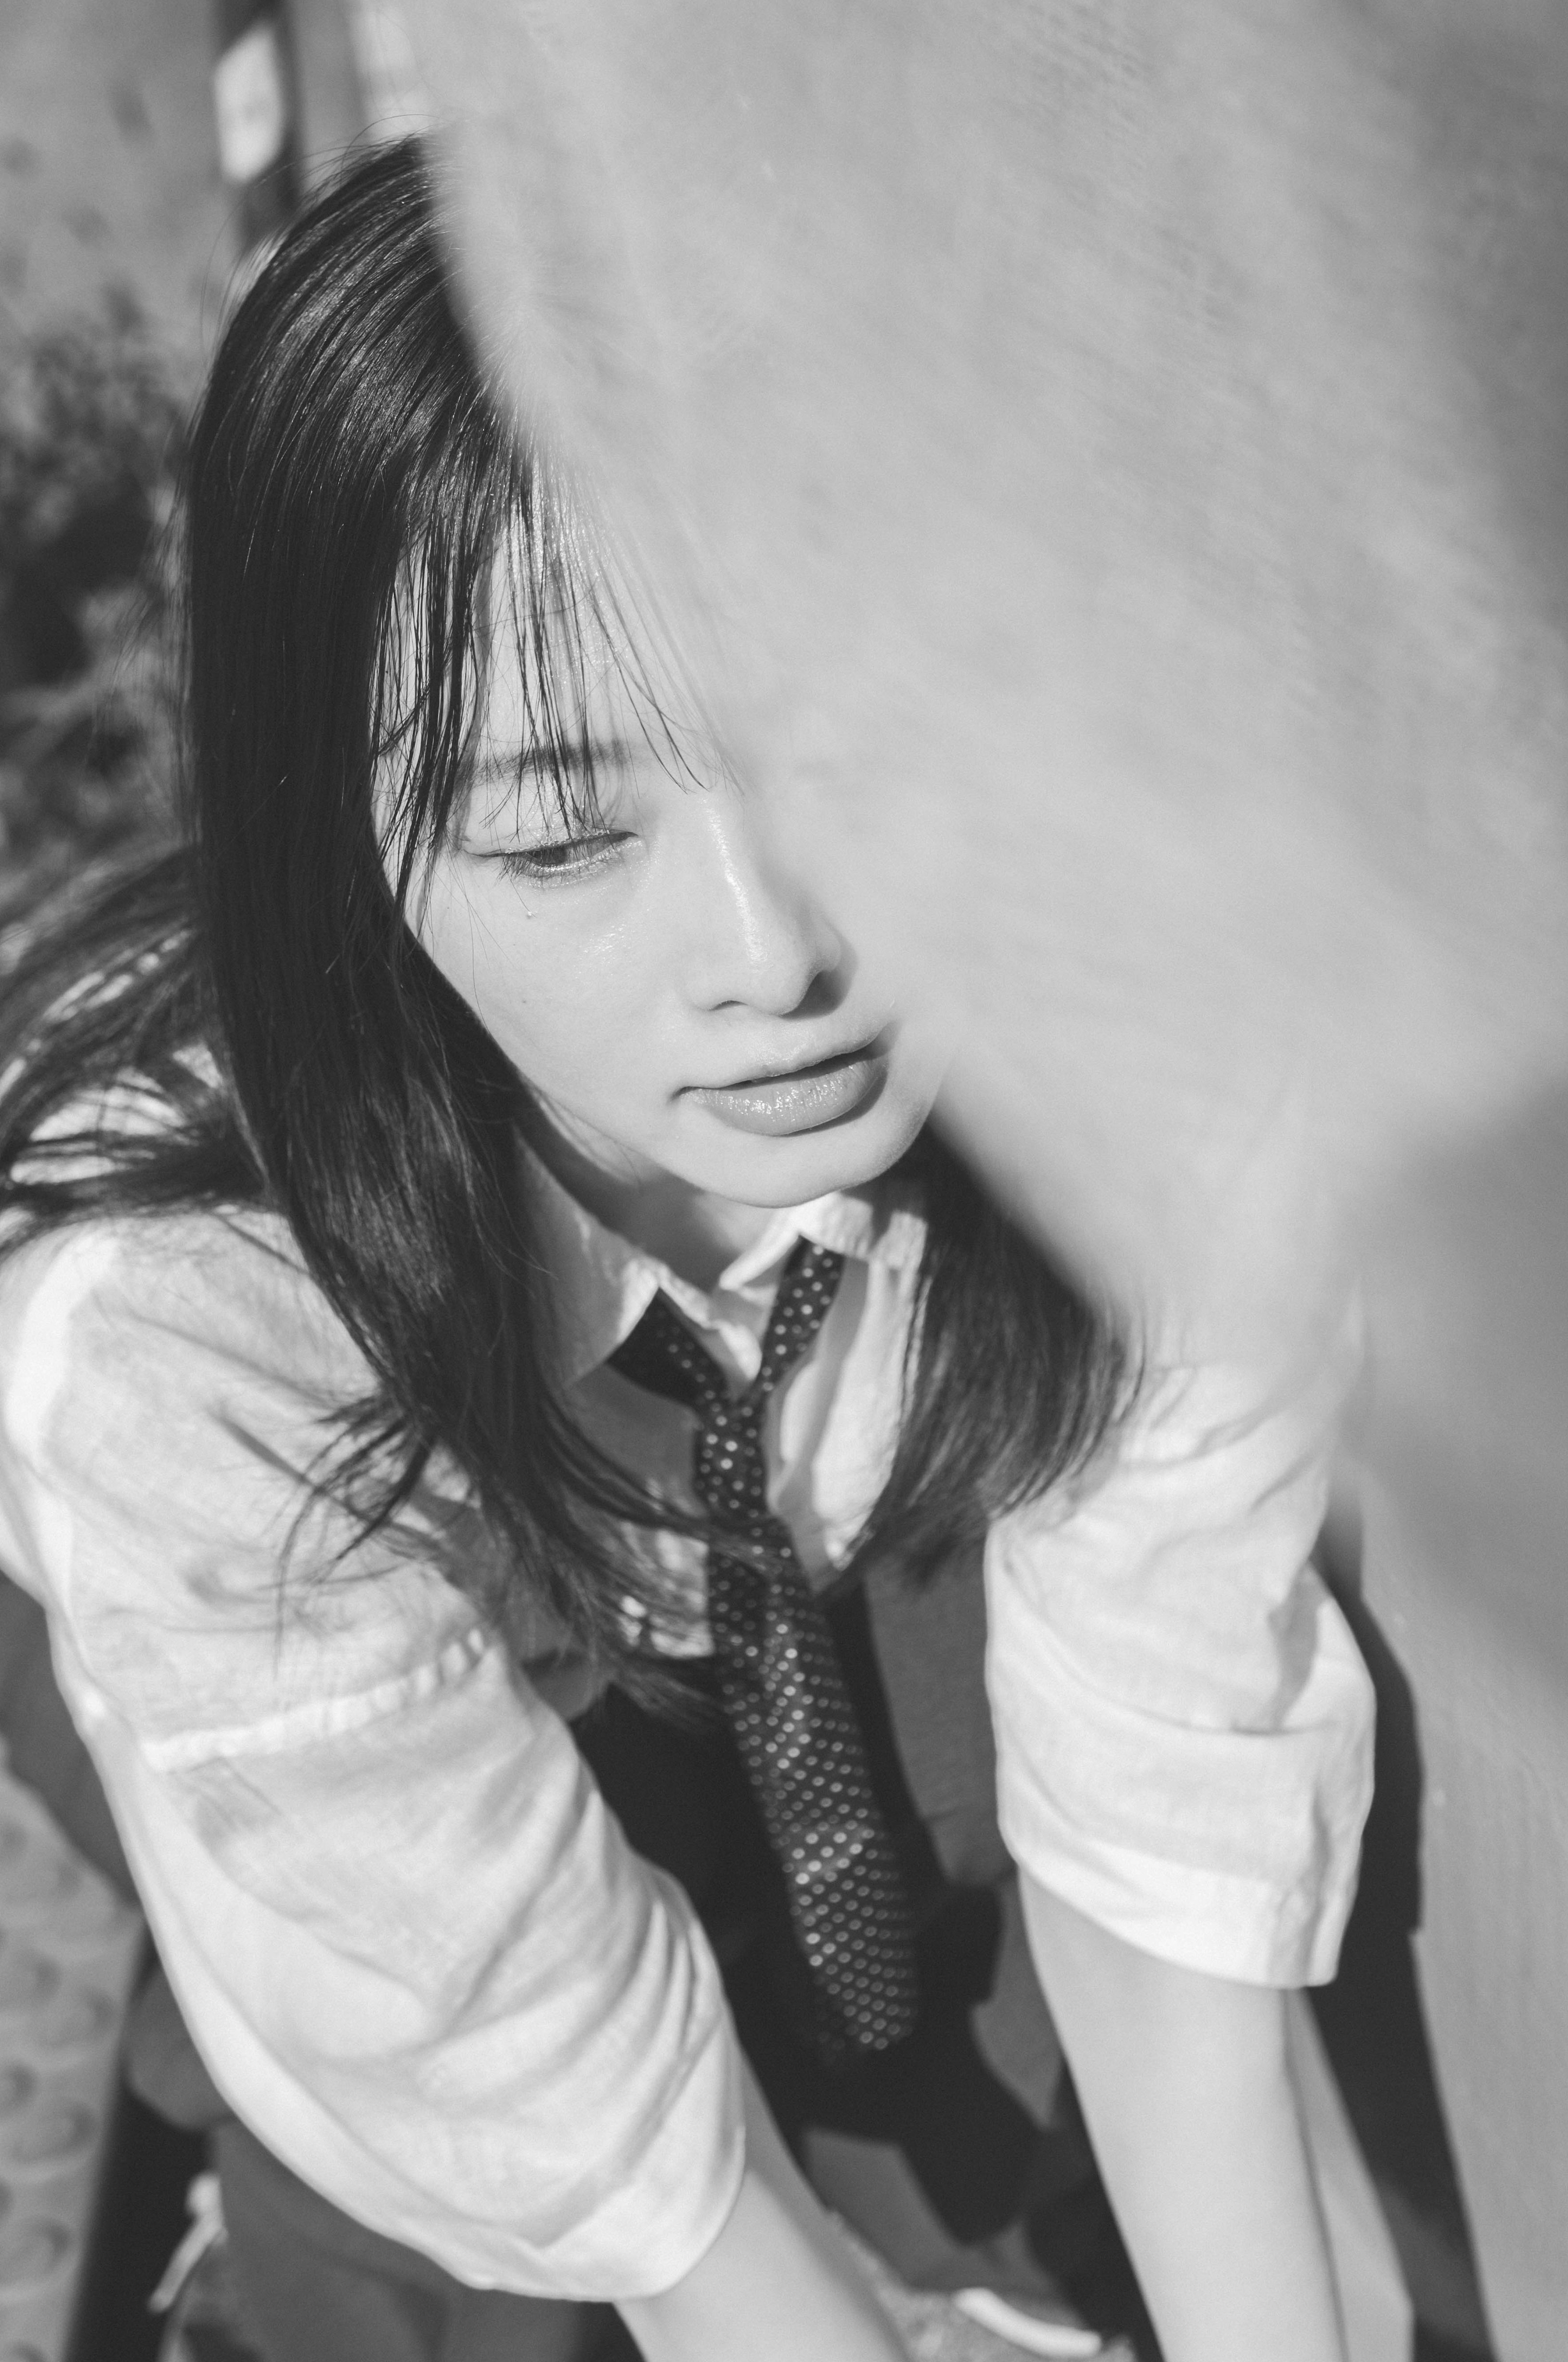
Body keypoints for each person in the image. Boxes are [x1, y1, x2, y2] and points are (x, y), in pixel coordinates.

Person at [0, 142, 1372, 2362]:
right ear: (340, 859)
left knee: (1049, 2165)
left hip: (809, 1489)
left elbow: (1169, 1875)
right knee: (407, 2191)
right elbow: (594, 2125)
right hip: (364, 1501)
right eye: (563, 833)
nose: (780, 951)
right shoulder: (191, 1353)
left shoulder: (1160, 1039)